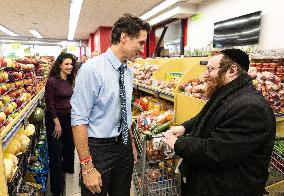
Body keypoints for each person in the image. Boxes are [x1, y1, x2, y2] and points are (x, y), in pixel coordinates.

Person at [162, 49, 276, 196]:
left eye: (210, 69)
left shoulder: (251, 108)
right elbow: (208, 115)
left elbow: (215, 152)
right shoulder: (230, 94)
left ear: (232, 70)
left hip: (228, 188)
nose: (204, 75)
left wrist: (178, 143)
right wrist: (184, 127)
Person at [71, 13, 151, 195]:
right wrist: (87, 166)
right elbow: (78, 120)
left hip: (123, 149)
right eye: (140, 42)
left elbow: (125, 111)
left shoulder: (127, 72)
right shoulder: (91, 69)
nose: (142, 49)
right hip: (98, 150)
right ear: (124, 37)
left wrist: (129, 145)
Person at [45, 52, 77, 196]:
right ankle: (57, 188)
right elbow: (50, 103)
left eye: (71, 64)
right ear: (60, 65)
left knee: (70, 145)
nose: (70, 66)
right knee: (56, 151)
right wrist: (56, 123)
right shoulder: (52, 81)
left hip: (68, 117)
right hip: (54, 119)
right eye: (67, 64)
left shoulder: (69, 80)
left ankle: (68, 168)